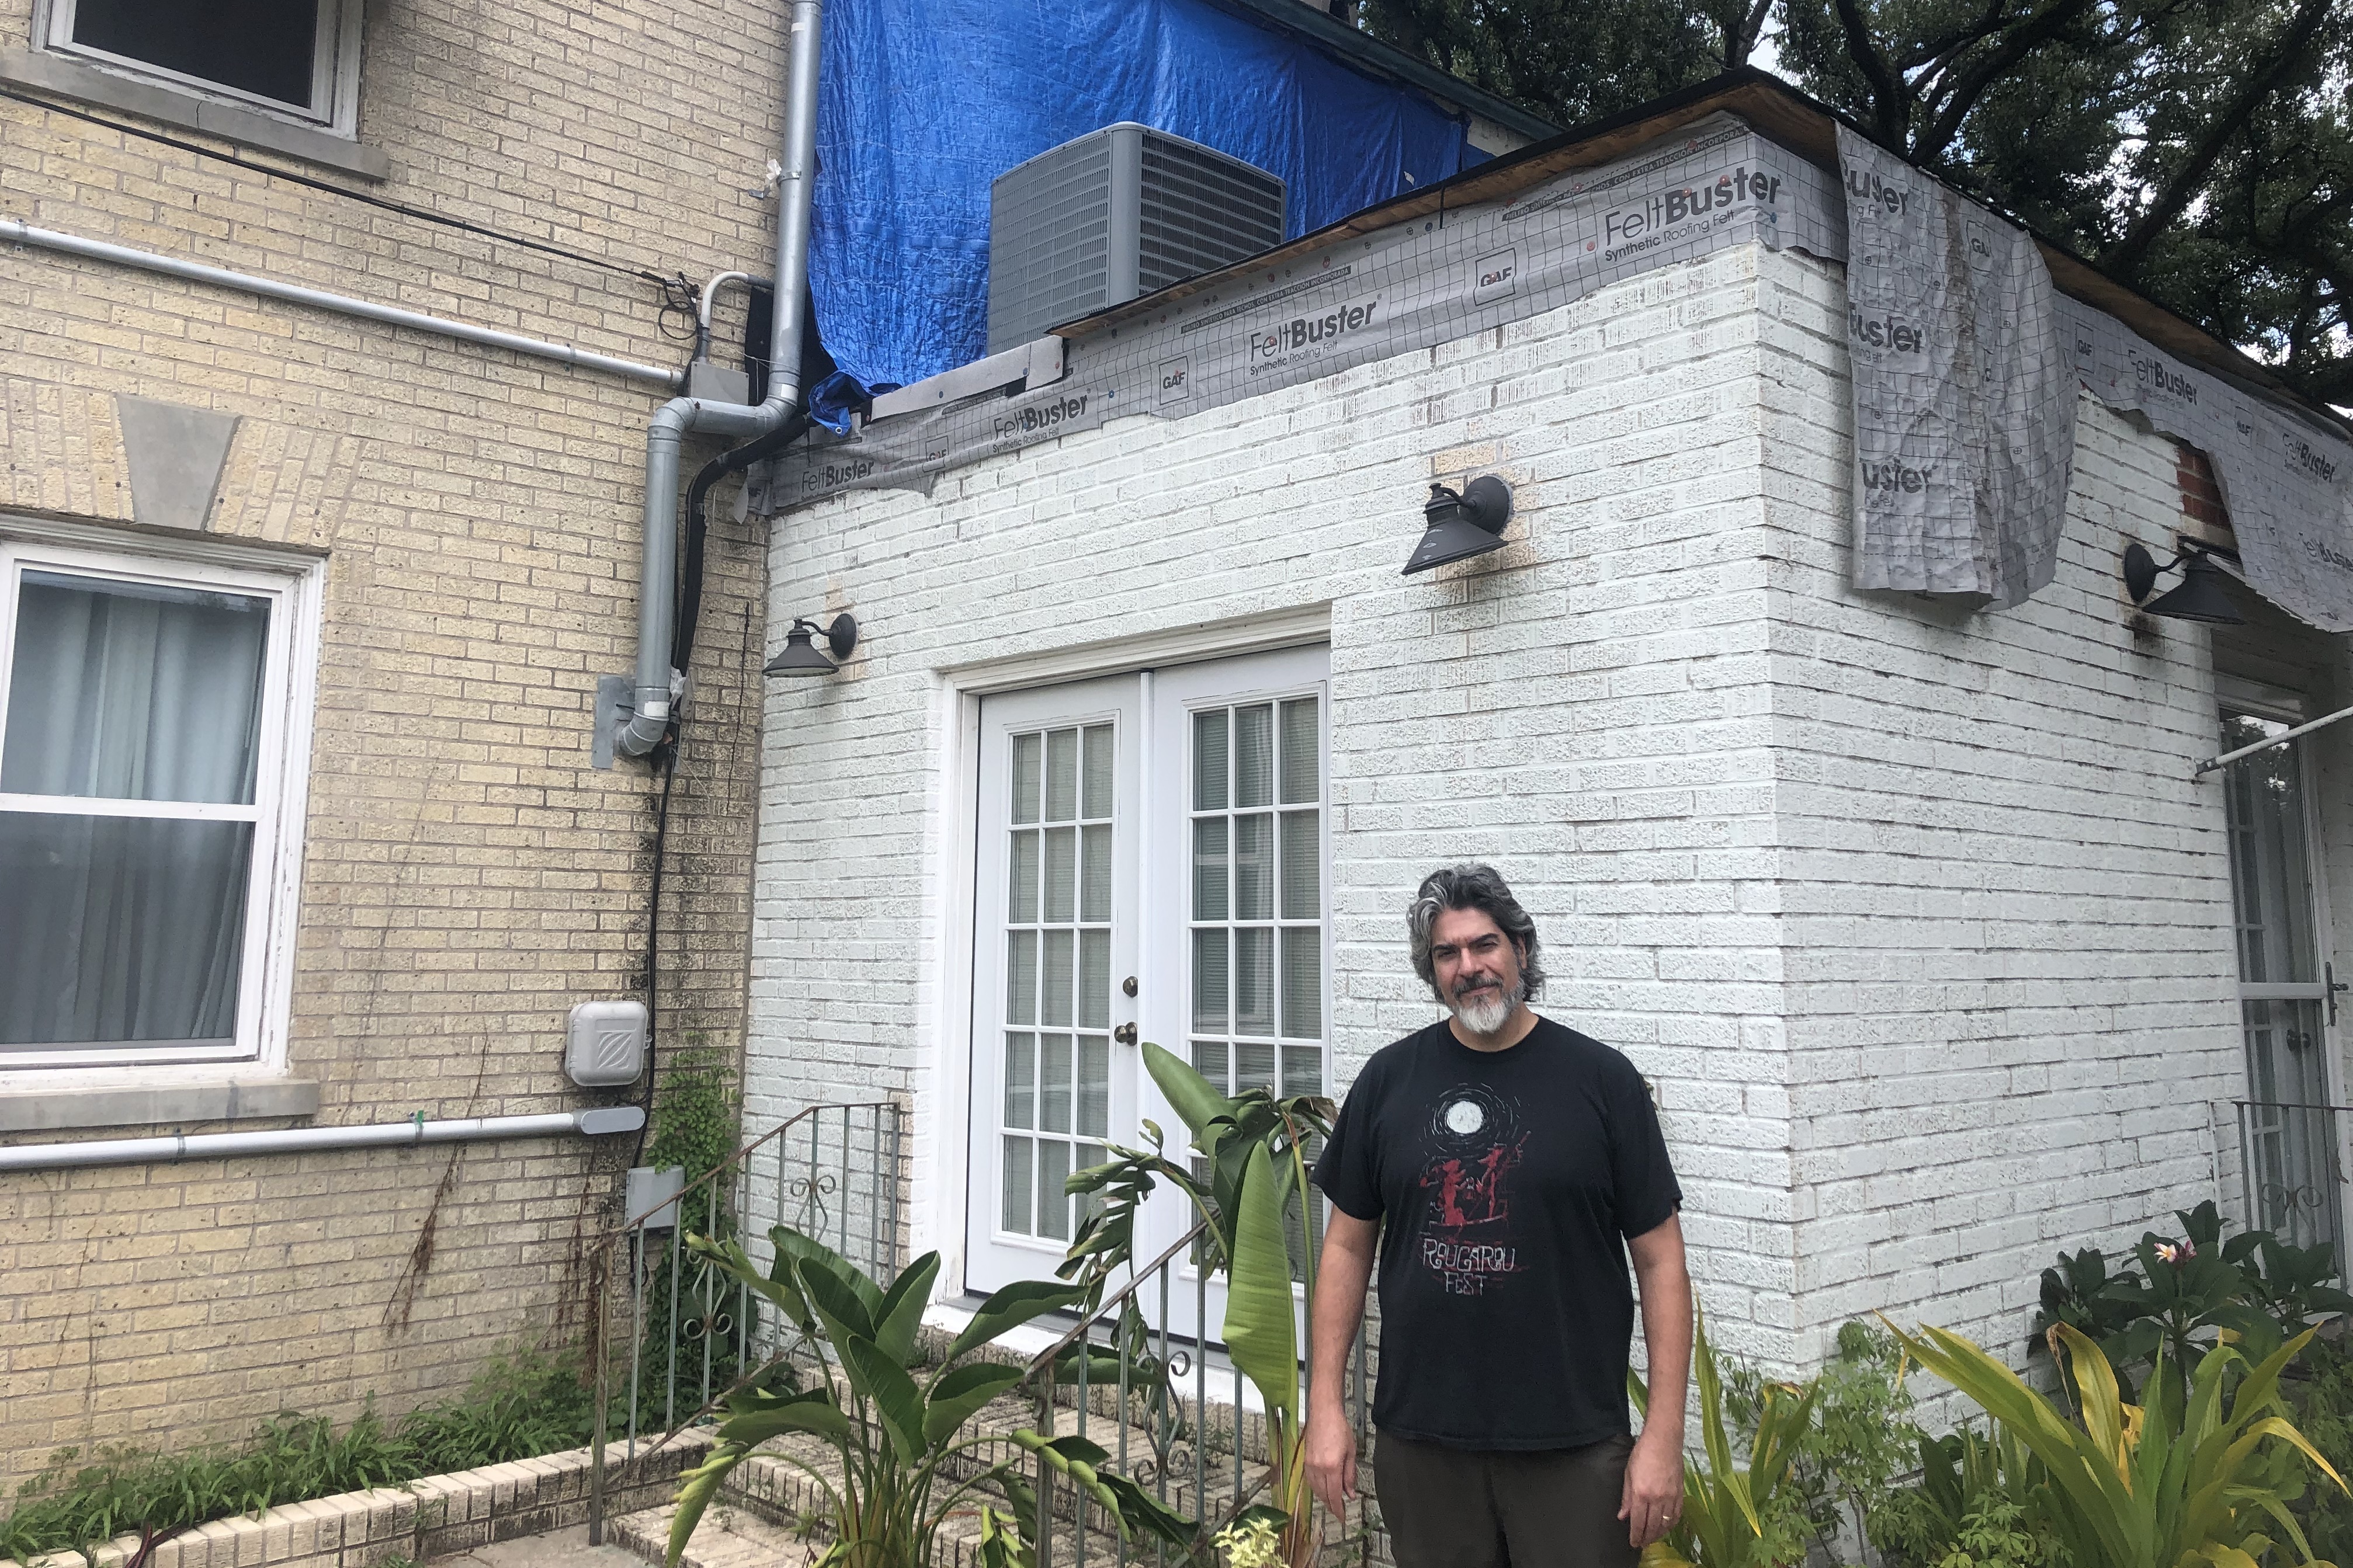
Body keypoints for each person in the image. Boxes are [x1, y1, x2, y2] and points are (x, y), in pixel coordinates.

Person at [1304, 864, 1692, 1567]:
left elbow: (1661, 1261)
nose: (1468, 967)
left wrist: (1662, 1436)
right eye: (1446, 953)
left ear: (1520, 949)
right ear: (1431, 971)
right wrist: (1324, 1407)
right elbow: (1346, 1249)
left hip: (1572, 1443)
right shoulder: (1387, 1081)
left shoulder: (1601, 1082)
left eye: (1483, 944)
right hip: (1423, 1443)